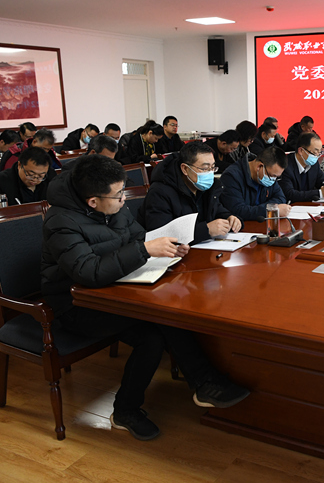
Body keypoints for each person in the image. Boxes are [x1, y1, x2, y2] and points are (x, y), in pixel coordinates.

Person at [41, 155, 250, 440]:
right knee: (156, 327)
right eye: (118, 196)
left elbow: (138, 235)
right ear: (93, 202)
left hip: (116, 288)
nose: (124, 200)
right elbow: (88, 271)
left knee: (165, 314)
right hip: (75, 304)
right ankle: (187, 388)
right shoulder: (60, 222)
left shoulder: (113, 205)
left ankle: (197, 385)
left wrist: (169, 245)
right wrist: (144, 250)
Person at [138, 141, 242, 244]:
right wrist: (206, 230)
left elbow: (218, 211)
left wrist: (231, 219)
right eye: (205, 168)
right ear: (185, 169)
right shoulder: (160, 192)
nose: (210, 173)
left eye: (213, 168)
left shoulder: (206, 187)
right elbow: (159, 236)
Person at [0, 146, 55, 212]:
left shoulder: (51, 176)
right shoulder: (1, 181)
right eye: (30, 174)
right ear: (19, 165)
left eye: (40, 176)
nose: (35, 179)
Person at [220, 146, 290, 221]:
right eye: (273, 176)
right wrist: (271, 209)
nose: (273, 179)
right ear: (259, 166)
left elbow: (281, 198)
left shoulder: (268, 175)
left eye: (276, 177)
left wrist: (257, 210)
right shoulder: (231, 177)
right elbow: (238, 211)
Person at [279, 132, 324, 202]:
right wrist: (320, 193)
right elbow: (290, 194)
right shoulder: (285, 165)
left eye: (319, 153)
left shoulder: (314, 164)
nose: (317, 156)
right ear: (301, 151)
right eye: (314, 153)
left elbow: (322, 180)